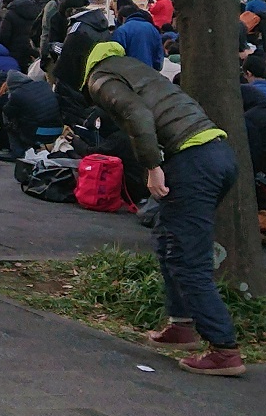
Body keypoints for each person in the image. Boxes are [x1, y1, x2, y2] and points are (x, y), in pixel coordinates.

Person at [77, 41, 244, 376]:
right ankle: (181, 325)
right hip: (217, 153)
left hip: (191, 161)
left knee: (186, 256)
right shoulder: (140, 71)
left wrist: (152, 167)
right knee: (169, 239)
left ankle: (224, 349)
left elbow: (136, 115)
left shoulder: (101, 78)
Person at [0, 70, 59, 156]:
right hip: (57, 130)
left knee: (8, 118)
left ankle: (17, 151)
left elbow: (7, 111)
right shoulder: (43, 85)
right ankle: (32, 148)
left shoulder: (17, 94)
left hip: (38, 132)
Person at [113, 0, 164, 70]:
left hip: (129, 72)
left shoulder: (122, 30)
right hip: (149, 71)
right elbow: (158, 55)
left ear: (123, 18)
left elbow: (117, 56)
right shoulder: (152, 29)